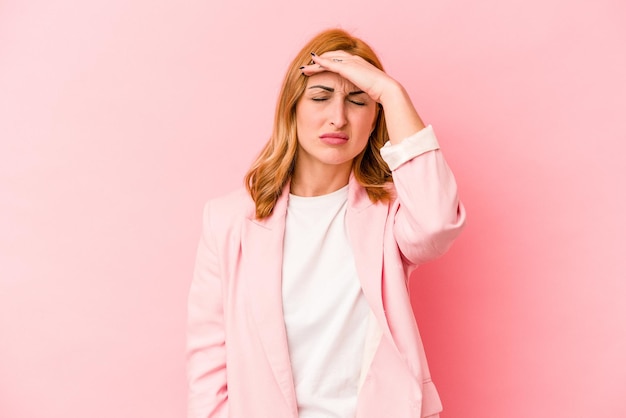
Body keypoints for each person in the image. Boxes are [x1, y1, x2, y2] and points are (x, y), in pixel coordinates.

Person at [187, 28, 466, 418]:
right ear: (292, 108)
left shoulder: (392, 212)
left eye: (357, 101)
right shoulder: (229, 220)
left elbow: (437, 226)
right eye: (320, 97)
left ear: (375, 120)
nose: (338, 118)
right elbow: (208, 367)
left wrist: (392, 92)